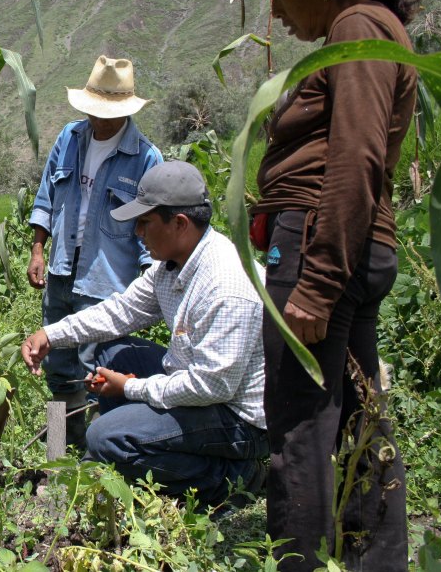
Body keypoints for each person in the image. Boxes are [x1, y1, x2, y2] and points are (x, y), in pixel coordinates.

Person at [231, 0, 418, 570]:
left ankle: (300, 561)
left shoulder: (359, 30)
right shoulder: (367, 30)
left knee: (300, 428)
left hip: (319, 245)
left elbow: (356, 158)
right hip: (347, 245)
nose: (276, 12)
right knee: (360, 420)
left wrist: (316, 282)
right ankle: (376, 561)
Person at [22, 161, 268, 505]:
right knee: (112, 353)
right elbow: (121, 312)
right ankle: (123, 455)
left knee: (103, 436)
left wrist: (130, 388)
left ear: (179, 223)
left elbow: (211, 386)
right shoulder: (173, 264)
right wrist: (51, 335)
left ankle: (235, 478)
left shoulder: (226, 286)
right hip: (199, 384)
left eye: (145, 222)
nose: (137, 232)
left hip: (237, 418)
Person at [27, 55, 163, 446]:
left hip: (107, 278)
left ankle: (94, 452)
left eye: (107, 113)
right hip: (62, 267)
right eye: (94, 110)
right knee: (57, 362)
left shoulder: (145, 158)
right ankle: (58, 446)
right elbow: (46, 197)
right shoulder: (69, 138)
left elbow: (150, 227)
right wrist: (38, 250)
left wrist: (149, 283)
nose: (98, 119)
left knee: (95, 369)